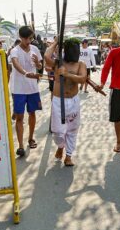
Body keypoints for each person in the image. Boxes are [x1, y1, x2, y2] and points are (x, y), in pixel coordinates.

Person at [44, 37, 87, 166]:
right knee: (58, 130)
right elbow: (46, 56)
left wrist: (67, 74)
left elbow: (82, 79)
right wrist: (57, 42)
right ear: (66, 51)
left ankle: (68, 156)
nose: (76, 53)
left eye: (77, 50)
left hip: (72, 101)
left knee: (72, 129)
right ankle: (60, 146)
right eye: (73, 50)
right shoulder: (58, 63)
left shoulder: (81, 64)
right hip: (58, 101)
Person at [10, 26, 43, 157]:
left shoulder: (35, 49)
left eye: (31, 38)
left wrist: (38, 65)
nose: (29, 41)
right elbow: (15, 64)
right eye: (26, 38)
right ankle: (20, 146)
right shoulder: (14, 51)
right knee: (19, 117)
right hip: (18, 89)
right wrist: (26, 73)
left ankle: (30, 138)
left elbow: (40, 66)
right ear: (21, 38)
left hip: (32, 88)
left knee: (32, 113)